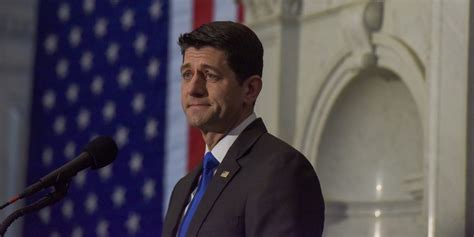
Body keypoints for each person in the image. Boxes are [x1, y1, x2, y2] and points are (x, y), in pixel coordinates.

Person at [162, 21, 325, 237]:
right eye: (187, 74)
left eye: (210, 75)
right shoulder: (184, 187)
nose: (193, 89)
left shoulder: (280, 171)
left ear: (250, 89)